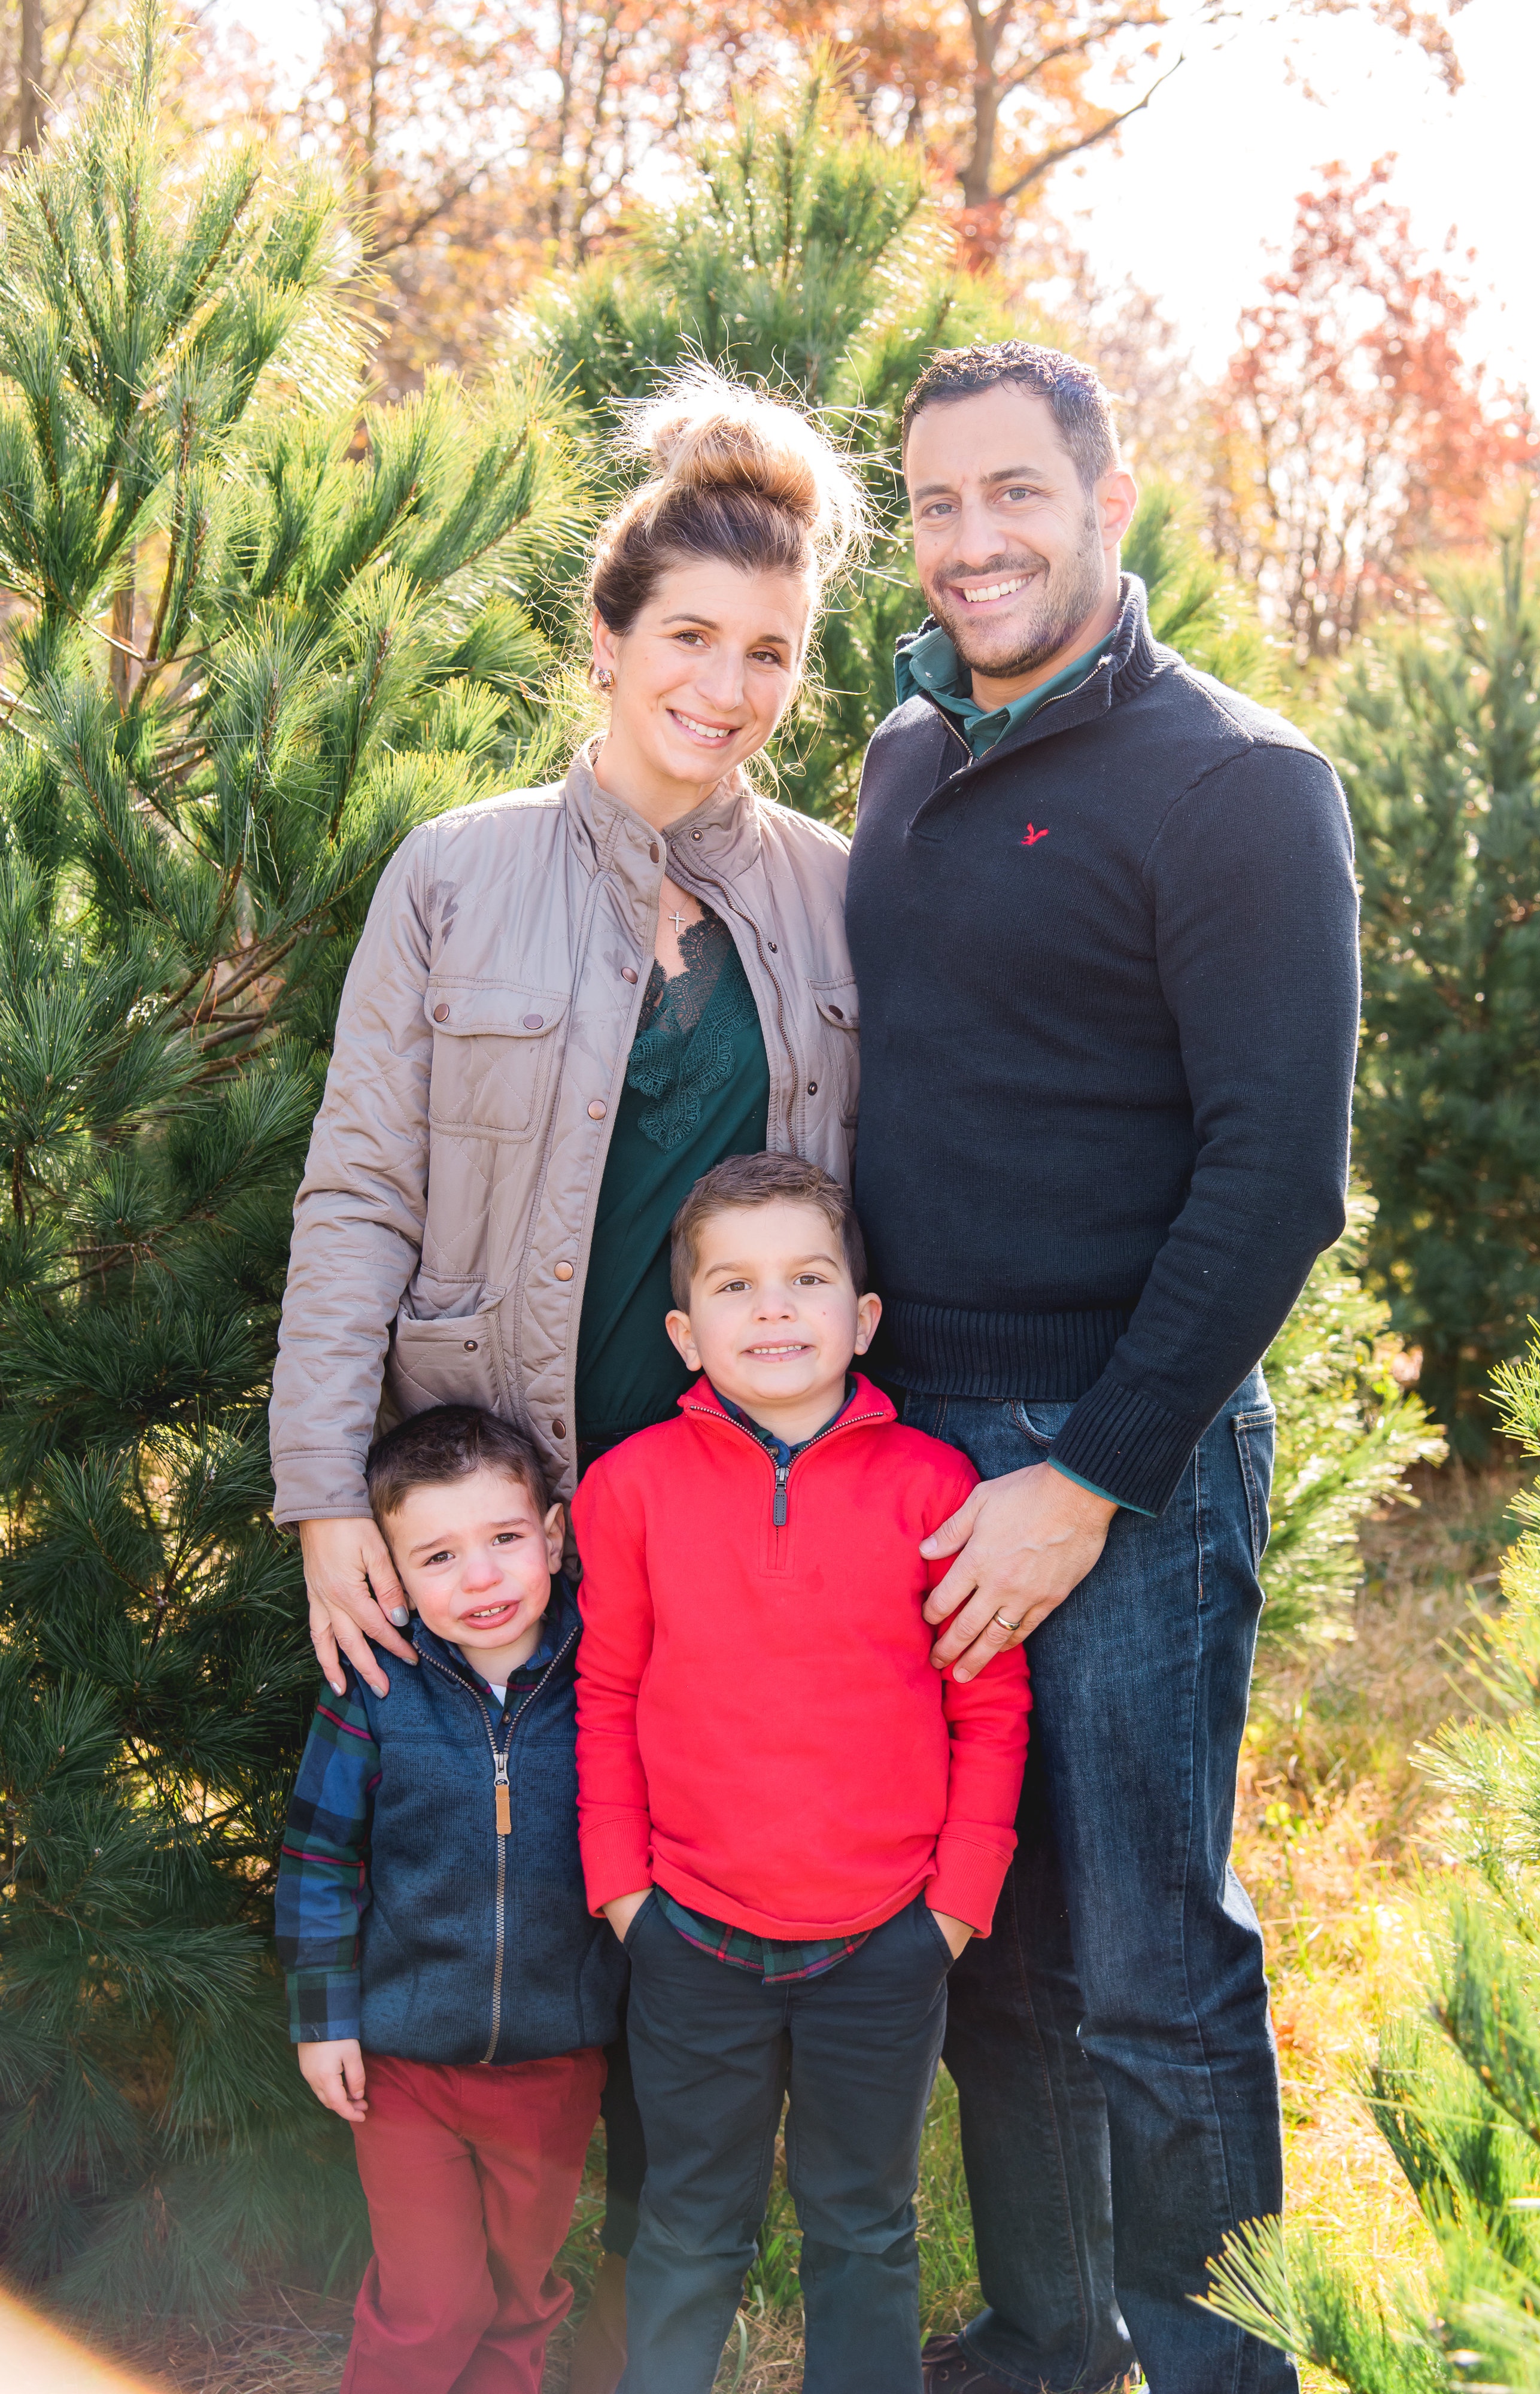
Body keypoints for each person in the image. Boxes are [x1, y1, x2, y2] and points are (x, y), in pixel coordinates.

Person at [270, 370, 868, 2389]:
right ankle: (462, 2317)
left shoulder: (832, 892)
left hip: (718, 1532)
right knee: (508, 1922)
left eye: (770, 652)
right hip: (495, 1527)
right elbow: (359, 1186)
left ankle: (640, 2334)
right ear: (604, 639)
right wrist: (325, 1494)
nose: (726, 687)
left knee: (677, 1937)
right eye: (688, 636)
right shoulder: (457, 873)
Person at [845, 341, 1362, 2393]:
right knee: (998, 1942)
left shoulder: (1238, 782)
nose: (970, 541)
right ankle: (1048, 2340)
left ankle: (1216, 2362)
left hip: (1114, 1448)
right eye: (935, 504)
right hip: (907, 1439)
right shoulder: (903, 757)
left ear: (1105, 503)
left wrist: (1085, 1483)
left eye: (1013, 495)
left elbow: (1277, 1177)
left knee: (1152, 1958)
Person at [572, 1153, 1031, 2394]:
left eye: (807, 1279)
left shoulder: (936, 1486)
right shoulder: (628, 1491)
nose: (772, 1308)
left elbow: (989, 1708)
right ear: (685, 1333)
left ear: (863, 1318)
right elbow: (605, 1696)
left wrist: (952, 1908)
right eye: (734, 1284)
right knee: (686, 2225)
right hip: (691, 1935)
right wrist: (624, 1894)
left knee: (865, 2226)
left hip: (883, 1942)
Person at [277, 1404, 626, 2393]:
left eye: (504, 1539)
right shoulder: (376, 1686)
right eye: (437, 1557)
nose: (480, 1579)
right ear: (389, 1575)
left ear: (552, 1538)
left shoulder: (604, 1674)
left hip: (555, 2065)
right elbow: (317, 1857)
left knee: (518, 2297)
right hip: (405, 2070)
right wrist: (322, 2021)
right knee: (432, 2304)